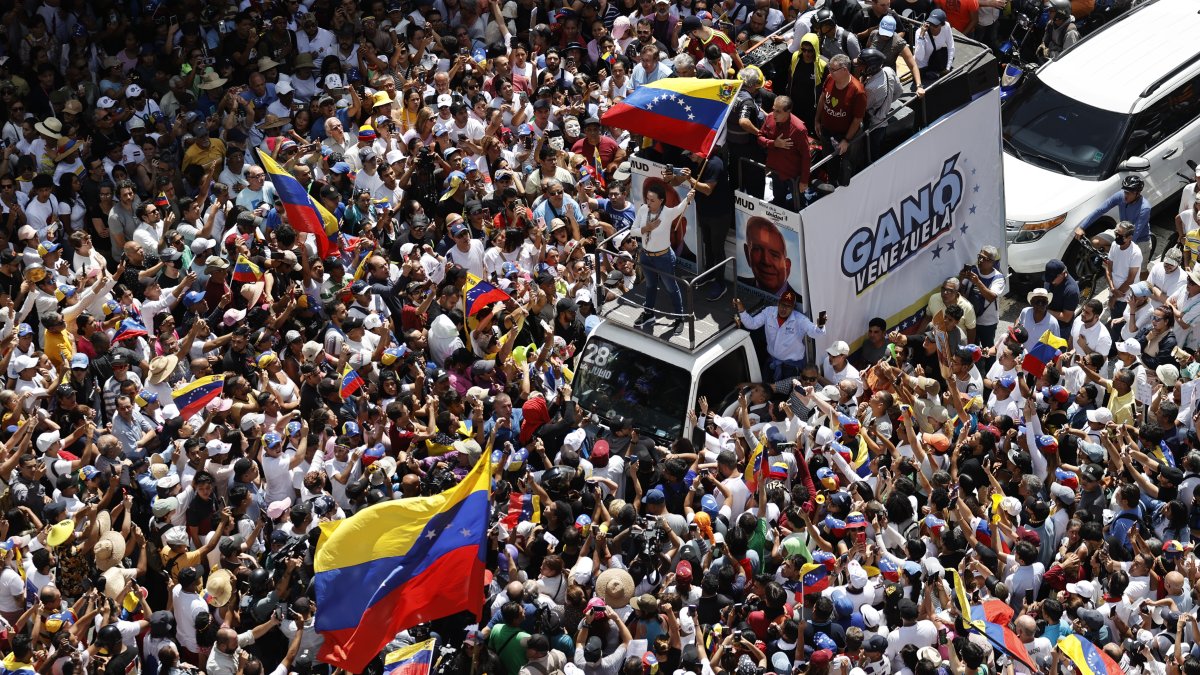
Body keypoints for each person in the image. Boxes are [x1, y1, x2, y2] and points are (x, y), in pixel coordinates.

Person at [632, 183, 696, 334]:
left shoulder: (667, 213)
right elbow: (633, 231)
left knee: (671, 287)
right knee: (650, 285)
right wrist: (647, 228)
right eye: (647, 199)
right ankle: (648, 313)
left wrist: (688, 198)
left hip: (663, 257)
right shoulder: (642, 210)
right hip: (646, 256)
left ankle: (679, 318)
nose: (648, 202)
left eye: (652, 200)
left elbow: (680, 208)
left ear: (661, 200)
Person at [734, 290, 826, 381]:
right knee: (765, 387)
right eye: (782, 304)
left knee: (785, 393)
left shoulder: (800, 319)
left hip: (791, 366)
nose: (784, 309)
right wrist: (741, 310)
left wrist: (820, 326)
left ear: (793, 307)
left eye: (788, 306)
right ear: (778, 303)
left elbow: (815, 333)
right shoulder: (769, 312)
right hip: (772, 360)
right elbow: (752, 324)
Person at [813, 54, 867, 186]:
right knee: (830, 161)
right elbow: (822, 97)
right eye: (829, 68)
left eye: (833, 69)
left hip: (845, 135)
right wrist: (817, 120)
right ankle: (831, 184)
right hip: (827, 131)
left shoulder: (858, 91)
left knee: (847, 166)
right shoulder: (830, 78)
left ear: (845, 70)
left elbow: (857, 119)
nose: (829, 72)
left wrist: (846, 140)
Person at [757, 96, 810, 210]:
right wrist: (773, 143)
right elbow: (760, 137)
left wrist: (804, 181)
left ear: (788, 112)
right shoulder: (770, 118)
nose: (774, 114)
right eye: (773, 109)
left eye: (778, 111)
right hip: (776, 172)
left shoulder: (798, 129)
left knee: (799, 204)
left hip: (793, 175)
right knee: (778, 201)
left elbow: (806, 156)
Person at [737, 216, 799, 299]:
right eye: (757, 249)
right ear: (747, 254)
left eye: (774, 255)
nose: (766, 261)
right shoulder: (739, 284)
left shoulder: (801, 304)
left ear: (787, 266)